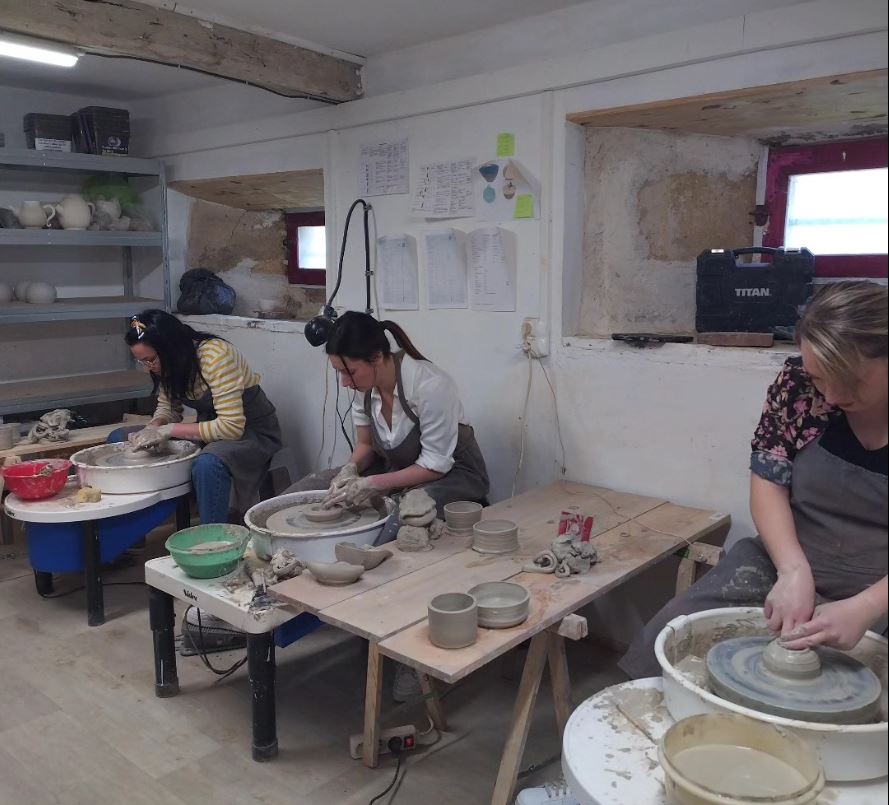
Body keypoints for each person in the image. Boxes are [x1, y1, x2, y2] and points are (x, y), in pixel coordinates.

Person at [620, 281, 888, 679]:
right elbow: (768, 480)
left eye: (847, 379)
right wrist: (793, 570)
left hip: (880, 580)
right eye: (819, 377)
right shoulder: (797, 384)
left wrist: (867, 606)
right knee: (670, 636)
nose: (829, 395)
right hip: (792, 552)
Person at [288, 311, 489, 524]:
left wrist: (373, 483)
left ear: (377, 357)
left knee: (401, 513)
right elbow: (366, 444)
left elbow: (434, 466)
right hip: (397, 469)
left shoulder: (431, 386)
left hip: (451, 476)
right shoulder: (363, 388)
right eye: (339, 373)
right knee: (312, 487)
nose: (345, 383)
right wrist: (350, 469)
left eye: (351, 372)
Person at [110, 310, 283, 524]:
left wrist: (168, 430)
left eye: (150, 360)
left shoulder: (216, 356)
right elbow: (168, 408)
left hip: (251, 432)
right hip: (210, 429)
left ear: (169, 348)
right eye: (142, 362)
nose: (148, 368)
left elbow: (231, 427)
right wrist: (152, 427)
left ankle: (212, 541)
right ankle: (133, 530)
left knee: (207, 464)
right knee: (120, 438)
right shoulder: (169, 363)